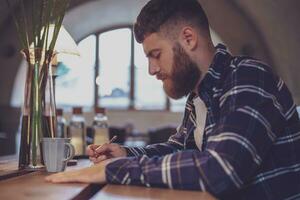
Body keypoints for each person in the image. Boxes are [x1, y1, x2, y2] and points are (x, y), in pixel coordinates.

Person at [45, 0, 300, 199]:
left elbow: (222, 170)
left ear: (188, 39)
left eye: (156, 54)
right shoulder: (199, 95)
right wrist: (126, 154)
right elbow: (180, 148)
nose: (151, 69)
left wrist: (114, 170)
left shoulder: (248, 78)